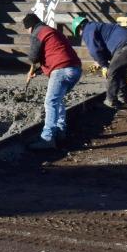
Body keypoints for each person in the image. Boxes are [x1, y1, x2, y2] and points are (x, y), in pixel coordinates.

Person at [23, 13, 82, 151]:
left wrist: (31, 67)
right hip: (75, 70)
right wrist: (36, 72)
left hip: (61, 70)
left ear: (30, 27)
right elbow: (54, 55)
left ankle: (47, 138)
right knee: (58, 100)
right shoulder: (52, 31)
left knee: (50, 102)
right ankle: (61, 132)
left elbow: (33, 56)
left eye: (26, 29)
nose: (27, 32)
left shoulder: (38, 32)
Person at [72, 16, 127, 109]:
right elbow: (105, 48)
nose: (81, 35)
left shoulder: (88, 30)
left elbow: (95, 50)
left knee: (111, 72)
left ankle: (110, 101)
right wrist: (101, 61)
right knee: (119, 69)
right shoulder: (98, 27)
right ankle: (122, 97)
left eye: (79, 33)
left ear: (80, 27)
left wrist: (104, 65)